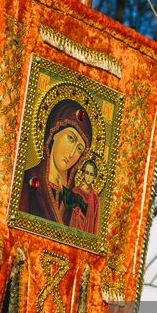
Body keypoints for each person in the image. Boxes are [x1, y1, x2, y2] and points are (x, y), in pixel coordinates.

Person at [18, 99, 98, 234]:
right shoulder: (27, 181)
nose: (72, 153)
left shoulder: (78, 199)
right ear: (54, 133)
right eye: (71, 139)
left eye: (79, 149)